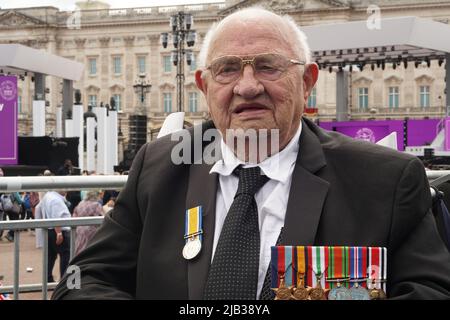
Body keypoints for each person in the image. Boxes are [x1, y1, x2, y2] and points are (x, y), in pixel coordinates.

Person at [53, 8, 450, 300]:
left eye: (268, 67)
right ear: (204, 85)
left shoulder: (385, 179)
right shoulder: (159, 167)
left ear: (307, 80)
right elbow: (83, 280)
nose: (247, 87)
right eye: (227, 69)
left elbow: (433, 291)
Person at [37, 191, 71, 282]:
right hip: (59, 231)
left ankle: (48, 279)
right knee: (65, 256)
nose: (66, 190)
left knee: (50, 256)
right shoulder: (56, 200)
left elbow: (38, 208)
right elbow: (57, 217)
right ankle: (64, 281)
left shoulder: (47, 195)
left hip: (49, 230)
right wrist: (59, 233)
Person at [72, 190, 104, 256]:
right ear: (96, 196)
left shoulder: (81, 203)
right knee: (89, 250)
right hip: (91, 230)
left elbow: (74, 215)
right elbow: (101, 217)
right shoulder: (96, 205)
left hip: (79, 228)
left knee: (79, 247)